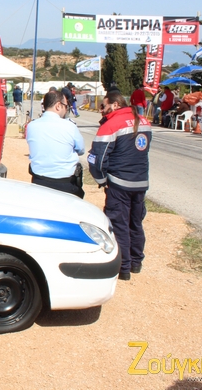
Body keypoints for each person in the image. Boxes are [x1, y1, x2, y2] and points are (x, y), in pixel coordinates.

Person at [88, 90, 152, 281]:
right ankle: (136, 262)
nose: (102, 110)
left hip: (118, 183)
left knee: (119, 224)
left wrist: (102, 180)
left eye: (104, 105)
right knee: (135, 223)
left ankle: (123, 267)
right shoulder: (144, 121)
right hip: (140, 182)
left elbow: (97, 159)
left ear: (115, 105)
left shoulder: (111, 125)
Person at [26, 91, 85, 198]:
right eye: (66, 106)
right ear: (58, 106)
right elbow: (81, 150)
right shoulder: (70, 126)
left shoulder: (31, 126)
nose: (66, 110)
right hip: (65, 184)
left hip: (38, 181)